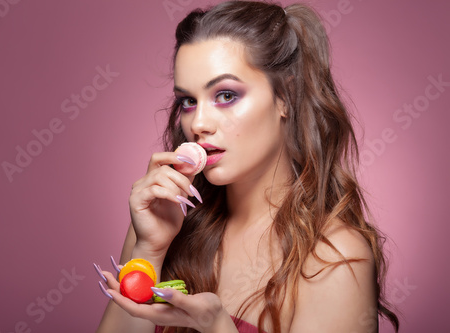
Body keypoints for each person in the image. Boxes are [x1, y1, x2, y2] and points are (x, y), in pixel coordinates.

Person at [94, 1, 399, 332]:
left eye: (225, 95)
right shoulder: (165, 218)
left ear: (286, 97)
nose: (199, 122)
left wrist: (217, 327)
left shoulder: (334, 257)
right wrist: (149, 250)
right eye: (188, 101)